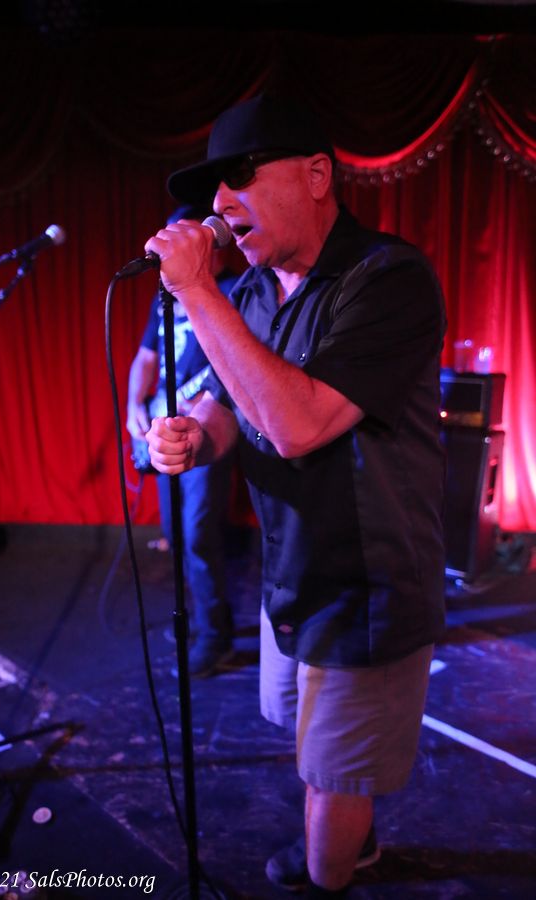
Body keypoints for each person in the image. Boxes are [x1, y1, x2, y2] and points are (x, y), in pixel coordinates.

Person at [144, 94, 447, 898]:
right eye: (212, 187)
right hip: (292, 575)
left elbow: (297, 425)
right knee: (312, 743)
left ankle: (332, 876)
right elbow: (227, 404)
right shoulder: (249, 294)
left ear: (316, 175)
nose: (219, 202)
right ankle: (357, 837)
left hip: (367, 587)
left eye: (241, 174)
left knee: (330, 787)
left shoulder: (388, 280)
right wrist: (193, 436)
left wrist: (196, 292)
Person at [126, 205, 238, 678]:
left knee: (198, 535)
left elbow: (236, 364)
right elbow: (146, 357)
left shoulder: (233, 291)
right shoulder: (165, 297)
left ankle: (216, 637)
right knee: (176, 536)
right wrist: (135, 402)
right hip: (166, 425)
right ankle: (196, 620)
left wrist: (203, 403)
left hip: (206, 428)